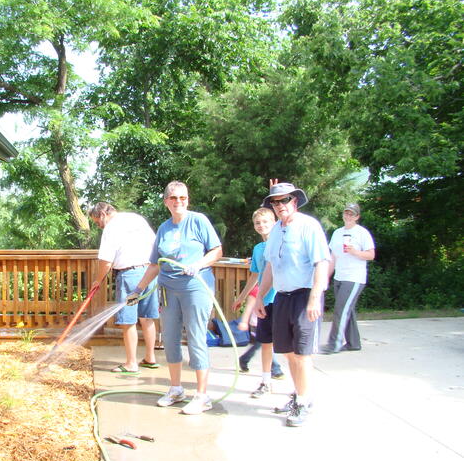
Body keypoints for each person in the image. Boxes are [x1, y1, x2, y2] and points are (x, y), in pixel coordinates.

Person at [127, 181, 223, 414]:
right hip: (168, 290)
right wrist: (137, 290)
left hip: (195, 287)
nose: (179, 201)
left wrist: (197, 264)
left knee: (196, 337)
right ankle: (176, 388)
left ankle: (202, 395)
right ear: (166, 202)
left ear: (188, 200)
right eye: (174, 198)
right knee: (169, 338)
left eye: (183, 198)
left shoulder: (198, 221)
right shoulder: (163, 228)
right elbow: (155, 264)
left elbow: (217, 251)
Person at [255, 181, 330, 427]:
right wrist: (259, 297)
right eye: (275, 202)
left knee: (302, 354)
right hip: (282, 296)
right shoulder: (276, 230)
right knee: (288, 352)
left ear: (295, 201)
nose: (280, 205)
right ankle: (298, 394)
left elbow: (321, 263)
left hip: (305, 296)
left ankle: (304, 401)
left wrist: (314, 298)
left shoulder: (309, 227)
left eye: (285, 200)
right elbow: (269, 267)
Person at [89, 202, 159, 373]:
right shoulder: (136, 219)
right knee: (147, 318)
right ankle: (150, 358)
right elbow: (156, 245)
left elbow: (106, 260)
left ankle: (131, 363)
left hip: (130, 276)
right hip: (150, 272)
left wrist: (98, 280)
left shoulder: (111, 227)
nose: (98, 226)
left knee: (128, 321)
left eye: (97, 222)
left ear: (103, 214)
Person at [231, 207, 284, 396]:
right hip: (264, 302)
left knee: (288, 345)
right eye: (258, 223)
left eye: (265, 222)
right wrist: (242, 297)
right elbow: (255, 275)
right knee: (265, 342)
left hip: (282, 299)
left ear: (274, 223)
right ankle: (265, 381)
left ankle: (298, 388)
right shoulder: (258, 248)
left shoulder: (280, 244)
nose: (261, 226)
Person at [322, 203, 376, 354]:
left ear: (357, 217)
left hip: (354, 277)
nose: (348, 216)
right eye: (346, 213)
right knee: (347, 310)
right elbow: (332, 257)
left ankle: (334, 344)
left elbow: (371, 255)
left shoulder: (362, 233)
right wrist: (325, 277)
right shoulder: (338, 233)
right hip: (340, 276)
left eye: (352, 214)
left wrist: (355, 252)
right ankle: (353, 343)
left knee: (341, 309)